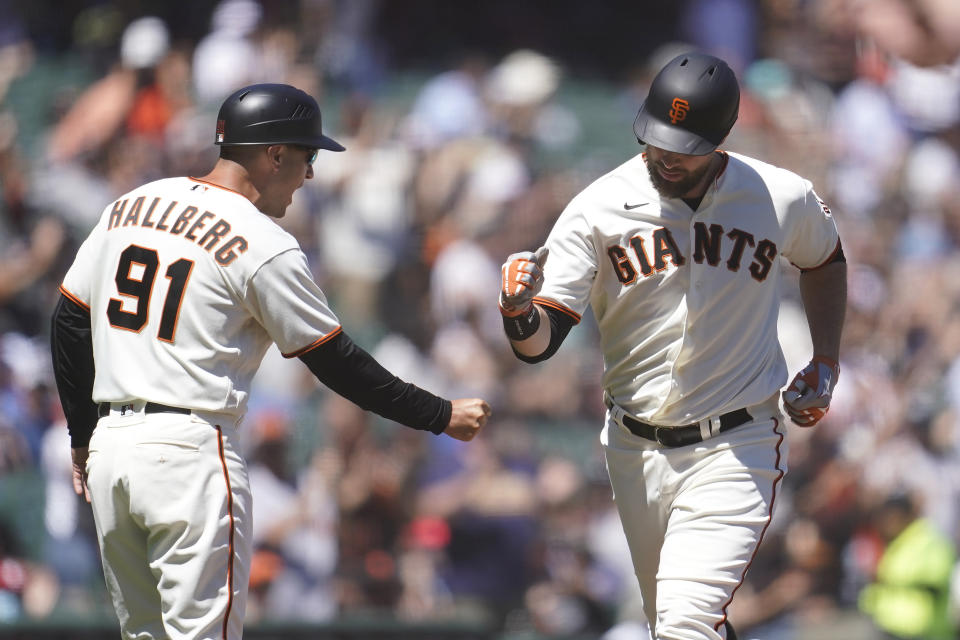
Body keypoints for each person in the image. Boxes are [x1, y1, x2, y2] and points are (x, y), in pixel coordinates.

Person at [49, 83, 491, 639]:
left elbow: (68, 319)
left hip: (113, 451)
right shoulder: (262, 241)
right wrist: (439, 413)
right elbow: (336, 362)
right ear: (274, 154)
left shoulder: (131, 205)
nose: (309, 174)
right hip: (189, 452)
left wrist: (83, 435)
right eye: (306, 156)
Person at [498, 52, 846, 640]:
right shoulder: (597, 208)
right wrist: (516, 311)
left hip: (737, 442)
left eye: (684, 146)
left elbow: (825, 258)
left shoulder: (778, 195)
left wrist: (827, 358)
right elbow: (538, 345)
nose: (665, 155)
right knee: (675, 624)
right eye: (657, 138)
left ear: (721, 137)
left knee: (686, 624)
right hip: (634, 449)